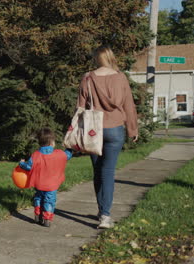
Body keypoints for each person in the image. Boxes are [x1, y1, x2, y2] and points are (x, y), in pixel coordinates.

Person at [77, 45, 138, 229]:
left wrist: (76, 131)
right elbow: (129, 105)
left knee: (98, 171)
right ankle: (105, 215)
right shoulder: (120, 78)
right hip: (115, 129)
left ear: (96, 58)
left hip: (94, 130)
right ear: (111, 57)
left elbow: (80, 107)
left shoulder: (87, 78)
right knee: (108, 172)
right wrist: (132, 129)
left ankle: (102, 210)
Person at [19, 127, 72, 227]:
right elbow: (67, 156)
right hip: (51, 185)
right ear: (52, 142)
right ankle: (47, 219)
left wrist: (21, 164)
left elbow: (29, 166)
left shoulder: (36, 155)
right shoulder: (58, 154)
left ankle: (37, 213)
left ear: (39, 142)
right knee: (49, 201)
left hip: (39, 183)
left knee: (38, 197)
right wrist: (70, 148)